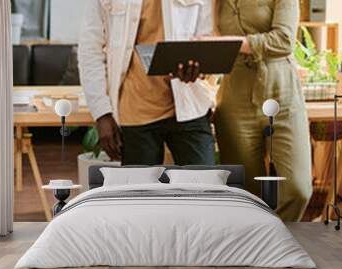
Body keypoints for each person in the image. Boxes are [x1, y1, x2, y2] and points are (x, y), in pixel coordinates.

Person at [208, 0, 313, 221]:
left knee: (297, 189)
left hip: (282, 94)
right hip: (234, 98)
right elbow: (207, 40)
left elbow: (284, 40)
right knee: (246, 195)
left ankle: (274, 240)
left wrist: (235, 44)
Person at [78, 0, 217, 166]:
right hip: (134, 110)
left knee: (205, 187)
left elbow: (208, 36)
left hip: (189, 104)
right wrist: (102, 113)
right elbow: (90, 48)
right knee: (141, 191)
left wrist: (199, 67)